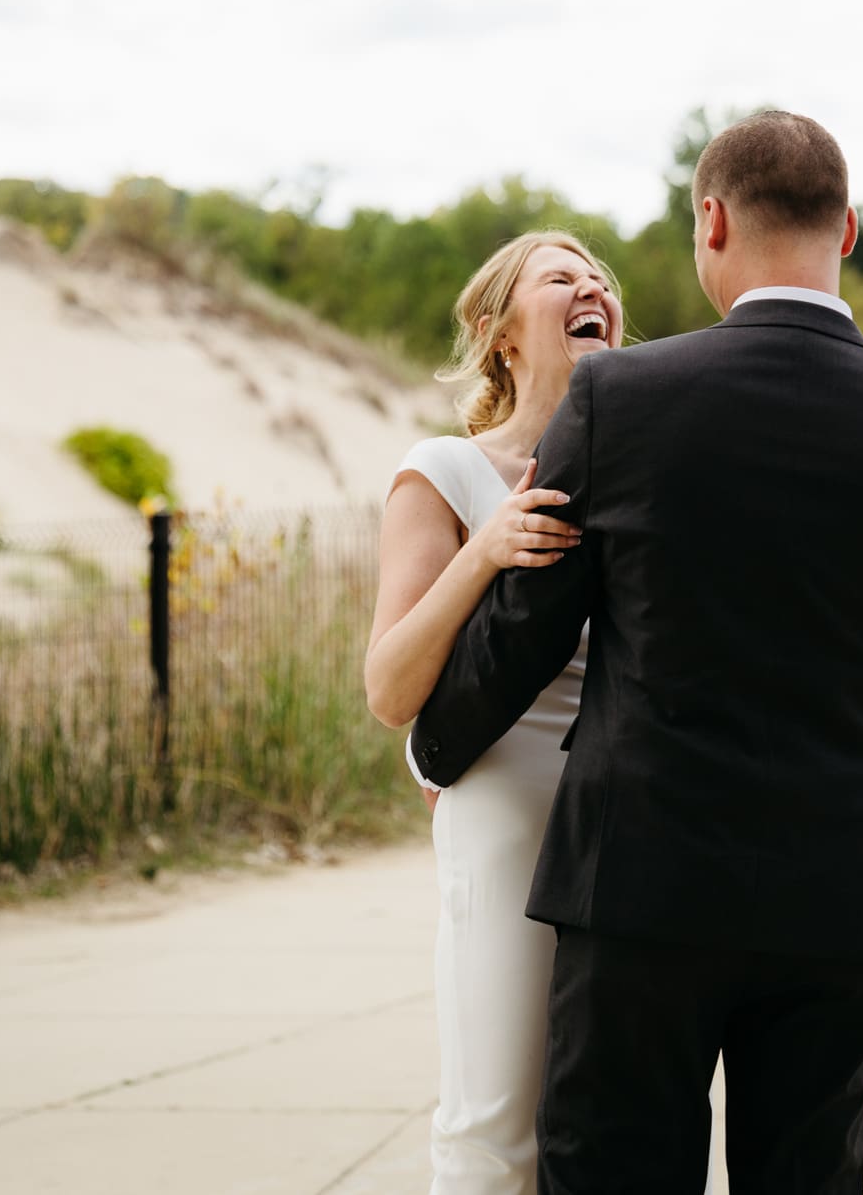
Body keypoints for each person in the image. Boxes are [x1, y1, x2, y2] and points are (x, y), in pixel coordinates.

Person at [410, 111, 863, 1194]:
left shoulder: (620, 400)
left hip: (639, 887)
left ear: (709, 220)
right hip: (846, 897)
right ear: (845, 229)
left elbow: (521, 637)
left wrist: (440, 750)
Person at [364, 229, 619, 1195]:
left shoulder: (639, 466)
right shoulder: (443, 472)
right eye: (561, 278)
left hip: (630, 821)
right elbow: (390, 687)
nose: (591, 287)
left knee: (606, 1133)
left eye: (598, 280)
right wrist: (487, 548)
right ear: (498, 333)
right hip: (504, 822)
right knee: (493, 1128)